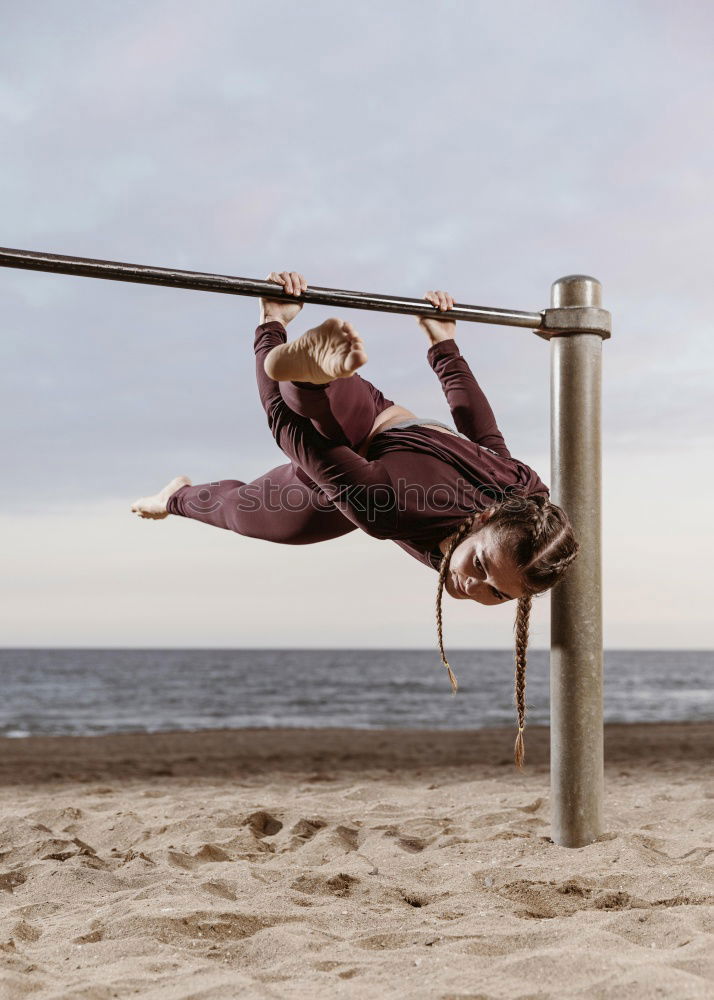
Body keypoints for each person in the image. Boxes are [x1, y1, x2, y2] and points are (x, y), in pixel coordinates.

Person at [131, 271, 579, 766]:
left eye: (497, 593)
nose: (472, 586)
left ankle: (297, 394)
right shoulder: (408, 506)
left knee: (283, 501)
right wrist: (271, 324)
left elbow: (484, 436)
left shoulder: (526, 502)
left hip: (365, 457)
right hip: (375, 434)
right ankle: (308, 378)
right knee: (295, 419)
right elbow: (289, 429)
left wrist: (442, 345)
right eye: (480, 566)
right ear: (486, 519)